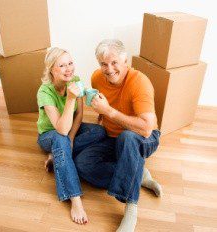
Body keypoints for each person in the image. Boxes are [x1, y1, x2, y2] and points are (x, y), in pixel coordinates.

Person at [74, 39, 162, 232]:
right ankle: (138, 175)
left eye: (114, 63)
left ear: (125, 61)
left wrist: (109, 112)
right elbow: (103, 103)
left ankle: (131, 208)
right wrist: (101, 114)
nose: (109, 69)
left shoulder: (140, 82)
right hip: (111, 135)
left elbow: (146, 128)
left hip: (143, 137)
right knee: (83, 163)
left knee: (128, 137)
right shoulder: (96, 77)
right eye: (103, 64)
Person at [36, 47, 106, 225]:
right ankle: (75, 198)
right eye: (62, 65)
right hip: (49, 134)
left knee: (99, 131)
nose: (69, 69)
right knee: (60, 139)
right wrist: (70, 99)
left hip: (69, 131)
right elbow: (60, 130)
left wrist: (72, 139)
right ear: (52, 69)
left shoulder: (75, 81)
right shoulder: (44, 92)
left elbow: (79, 116)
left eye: (70, 63)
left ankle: (58, 154)